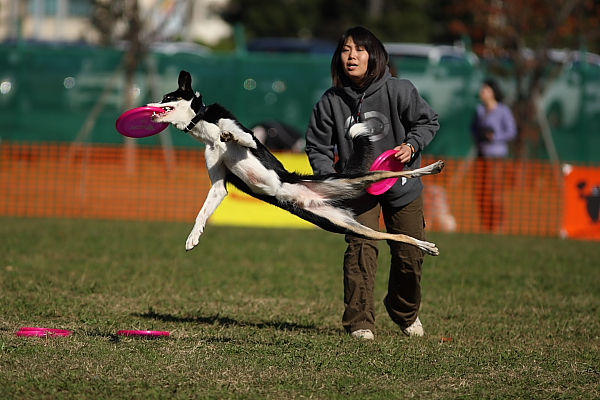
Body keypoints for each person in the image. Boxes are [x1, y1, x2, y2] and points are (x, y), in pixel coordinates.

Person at [305, 27, 440, 340]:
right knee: (361, 249)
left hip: (402, 184)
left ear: (374, 55)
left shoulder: (399, 89)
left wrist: (412, 145)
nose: (352, 56)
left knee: (409, 256)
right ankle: (360, 322)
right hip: (358, 188)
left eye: (360, 50)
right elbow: (318, 145)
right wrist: (331, 179)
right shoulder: (331, 100)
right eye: (345, 50)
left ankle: (404, 311)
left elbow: (428, 120)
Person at [471, 79, 517, 232]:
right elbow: (474, 129)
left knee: (494, 193)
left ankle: (497, 226)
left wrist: (494, 137)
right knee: (481, 192)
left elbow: (511, 131)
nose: (481, 93)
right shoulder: (480, 110)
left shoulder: (503, 110)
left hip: (497, 157)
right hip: (482, 155)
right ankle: (486, 225)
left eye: (485, 90)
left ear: (493, 92)